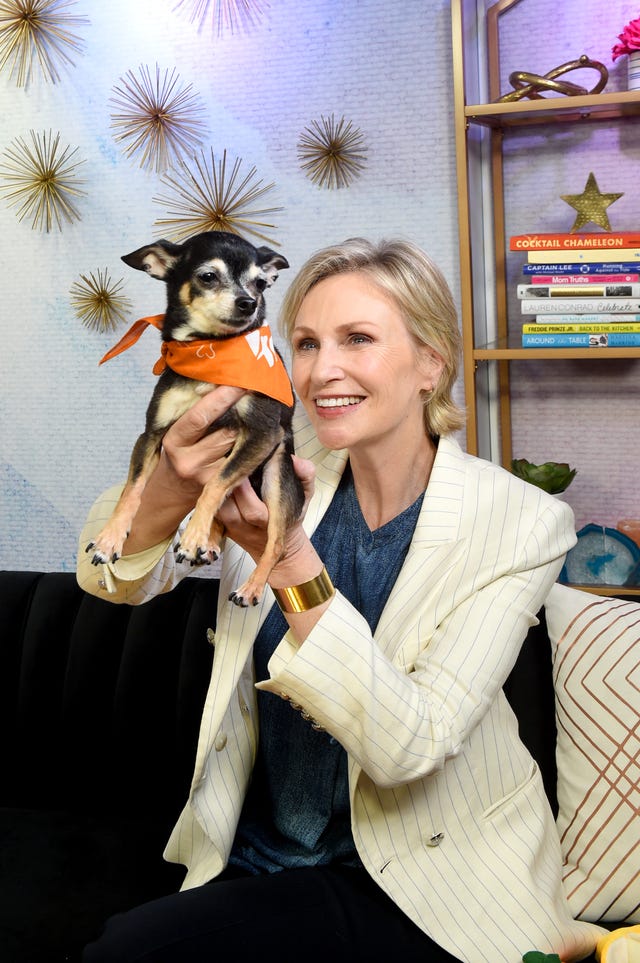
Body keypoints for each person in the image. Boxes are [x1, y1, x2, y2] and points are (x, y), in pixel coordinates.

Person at [76, 238, 604, 963]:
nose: (323, 371)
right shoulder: (272, 467)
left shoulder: (518, 520)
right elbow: (110, 578)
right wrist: (170, 480)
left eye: (357, 339)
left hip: (426, 882)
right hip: (257, 856)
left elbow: (409, 746)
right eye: (305, 342)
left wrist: (291, 560)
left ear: (432, 362)